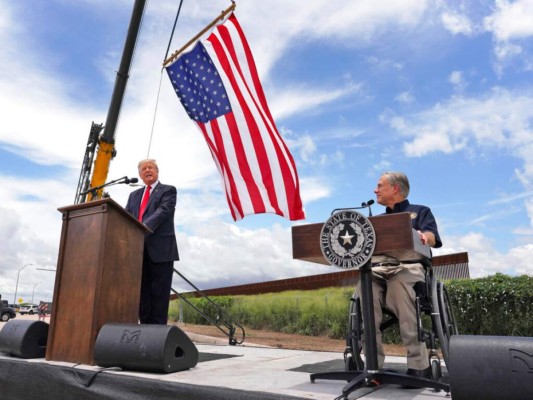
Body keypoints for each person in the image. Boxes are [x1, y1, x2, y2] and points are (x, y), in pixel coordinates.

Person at [359, 171, 442, 381]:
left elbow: (432, 236)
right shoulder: (374, 221)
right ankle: (372, 365)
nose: (375, 190)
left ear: (395, 188)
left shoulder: (420, 211)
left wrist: (424, 236)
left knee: (398, 285)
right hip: (378, 269)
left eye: (379, 186)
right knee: (364, 288)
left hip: (410, 266)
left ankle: (418, 364)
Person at [125, 159, 179, 325]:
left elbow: (163, 211)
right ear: (140, 175)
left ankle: (157, 335)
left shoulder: (168, 191)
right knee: (142, 295)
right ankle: (144, 331)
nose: (147, 170)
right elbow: (126, 216)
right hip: (138, 251)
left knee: (159, 295)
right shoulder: (133, 195)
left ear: (157, 171)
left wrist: (142, 227)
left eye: (150, 168)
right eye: (143, 169)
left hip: (161, 251)